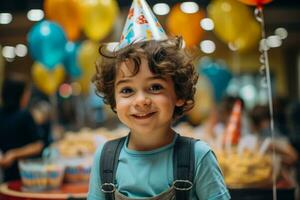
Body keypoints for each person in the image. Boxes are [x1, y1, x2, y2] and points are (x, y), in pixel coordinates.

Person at [88, 0, 230, 199]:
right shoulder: (104, 158)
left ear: (179, 95)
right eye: (127, 90)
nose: (141, 101)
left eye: (155, 87)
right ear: (113, 100)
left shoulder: (197, 156)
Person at [0, 74, 44, 181]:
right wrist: (14, 154)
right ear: (19, 94)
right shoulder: (25, 115)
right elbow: (38, 145)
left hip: (5, 175)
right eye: (26, 92)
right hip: (26, 175)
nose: (28, 96)